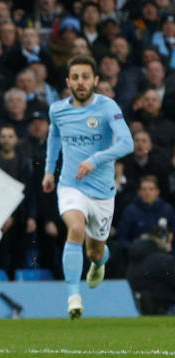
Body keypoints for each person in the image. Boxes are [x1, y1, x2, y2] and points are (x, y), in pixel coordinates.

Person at [42, 55, 134, 319]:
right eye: (75, 77)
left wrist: (95, 160)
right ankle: (74, 296)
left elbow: (127, 143)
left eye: (85, 77)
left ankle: (99, 261)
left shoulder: (107, 108)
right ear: (68, 81)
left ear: (95, 80)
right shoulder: (57, 110)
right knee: (76, 228)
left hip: (103, 192)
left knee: (95, 251)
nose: (80, 82)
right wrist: (49, 172)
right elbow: (54, 138)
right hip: (71, 186)